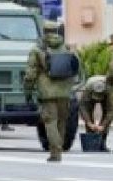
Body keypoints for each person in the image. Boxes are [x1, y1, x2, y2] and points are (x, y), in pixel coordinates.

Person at [24, 19, 79, 162]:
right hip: (65, 92)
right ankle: (59, 148)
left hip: (47, 93)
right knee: (62, 121)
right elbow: (76, 68)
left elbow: (30, 74)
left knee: (50, 122)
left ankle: (55, 152)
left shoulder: (37, 50)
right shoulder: (67, 48)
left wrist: (28, 92)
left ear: (44, 32)